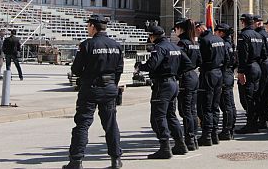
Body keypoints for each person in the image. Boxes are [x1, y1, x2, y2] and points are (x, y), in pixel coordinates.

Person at [63, 15, 124, 169]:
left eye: (88, 26)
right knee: (111, 125)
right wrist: (111, 84)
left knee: (82, 124)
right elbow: (119, 69)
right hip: (109, 89)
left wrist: (86, 79)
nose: (87, 29)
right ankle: (116, 160)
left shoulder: (87, 45)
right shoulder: (116, 45)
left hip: (90, 89)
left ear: (92, 26)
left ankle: (76, 161)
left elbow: (75, 69)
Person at [137, 25, 192, 159]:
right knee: (171, 116)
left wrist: (140, 67)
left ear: (153, 36)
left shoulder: (159, 48)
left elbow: (151, 65)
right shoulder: (174, 46)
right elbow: (188, 64)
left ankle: (165, 147)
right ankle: (180, 144)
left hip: (162, 85)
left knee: (158, 117)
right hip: (173, 83)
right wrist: (175, 73)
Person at [197, 21, 226, 146]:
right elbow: (226, 58)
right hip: (219, 73)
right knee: (215, 106)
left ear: (199, 29)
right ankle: (214, 134)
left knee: (206, 106)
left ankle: (207, 135)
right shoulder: (219, 39)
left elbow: (200, 59)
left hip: (208, 74)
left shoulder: (204, 41)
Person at [235, 14, 264, 134]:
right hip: (257, 67)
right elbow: (263, 53)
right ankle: (255, 122)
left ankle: (251, 124)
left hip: (248, 68)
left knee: (247, 97)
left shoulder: (244, 35)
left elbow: (243, 55)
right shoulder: (258, 35)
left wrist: (241, 71)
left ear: (243, 22)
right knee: (255, 96)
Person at [174, 18, 200, 150]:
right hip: (194, 76)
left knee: (186, 111)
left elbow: (179, 62)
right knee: (192, 110)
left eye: (176, 28)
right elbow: (199, 60)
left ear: (181, 29)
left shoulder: (182, 43)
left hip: (185, 78)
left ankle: (189, 139)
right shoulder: (194, 43)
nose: (175, 31)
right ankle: (193, 138)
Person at [215, 23, 237, 139]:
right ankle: (230, 128)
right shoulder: (231, 43)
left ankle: (227, 130)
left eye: (216, 32)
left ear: (221, 33)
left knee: (226, 105)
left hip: (224, 74)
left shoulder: (223, 44)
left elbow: (221, 60)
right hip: (229, 73)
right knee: (230, 104)